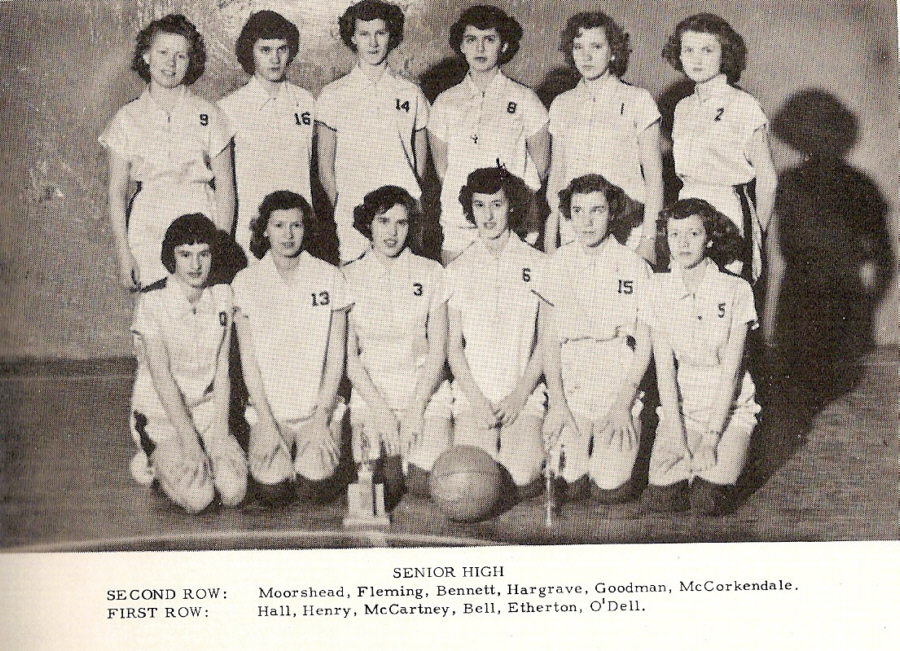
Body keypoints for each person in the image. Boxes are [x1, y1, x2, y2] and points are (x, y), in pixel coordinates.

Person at [535, 175, 652, 503]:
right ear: (568, 215)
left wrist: (623, 405)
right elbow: (549, 341)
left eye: (596, 210)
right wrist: (557, 403)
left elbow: (644, 345)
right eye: (578, 211)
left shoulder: (634, 266)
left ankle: (635, 438)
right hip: (573, 388)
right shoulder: (557, 264)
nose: (586, 221)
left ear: (612, 213)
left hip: (617, 386)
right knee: (567, 483)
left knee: (609, 488)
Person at [641, 198, 759, 515]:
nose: (683, 243)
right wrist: (679, 439)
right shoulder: (657, 288)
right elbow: (664, 373)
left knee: (706, 502)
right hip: (682, 407)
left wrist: (709, 439)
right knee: (662, 499)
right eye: (675, 234)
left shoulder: (736, 290)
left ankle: (740, 452)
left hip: (728, 408)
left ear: (709, 238)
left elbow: (731, 374)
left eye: (693, 234)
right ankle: (692, 452)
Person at [231, 191, 352, 501]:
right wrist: (267, 424)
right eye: (278, 225)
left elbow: (335, 356)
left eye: (296, 225)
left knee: (315, 486)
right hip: (271, 412)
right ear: (264, 230)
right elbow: (249, 363)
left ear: (306, 229)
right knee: (272, 488)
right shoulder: (245, 282)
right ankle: (279, 449)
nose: (288, 235)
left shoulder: (329, 276)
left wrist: (321, 418)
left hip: (318, 408)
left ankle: (315, 451)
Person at [100, 14, 235, 290]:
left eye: (181, 56)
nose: (170, 63)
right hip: (148, 228)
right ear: (146, 55)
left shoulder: (209, 114)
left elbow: (226, 188)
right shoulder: (127, 118)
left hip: (200, 224)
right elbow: (116, 193)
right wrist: (124, 254)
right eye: (162, 52)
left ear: (191, 61)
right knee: (155, 321)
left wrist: (220, 247)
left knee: (203, 321)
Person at [128, 213, 246, 513]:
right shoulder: (153, 302)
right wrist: (190, 443)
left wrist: (220, 432)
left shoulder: (222, 296)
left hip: (206, 415)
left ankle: (200, 453)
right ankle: (153, 457)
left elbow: (223, 371)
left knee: (233, 492)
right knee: (199, 498)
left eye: (203, 254)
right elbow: (162, 379)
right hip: (164, 419)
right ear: (172, 257)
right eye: (185, 254)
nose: (195, 265)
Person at [343, 186, 451, 501]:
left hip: (424, 394)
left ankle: (410, 459)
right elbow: (348, 359)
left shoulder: (431, 272)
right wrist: (383, 414)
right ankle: (392, 460)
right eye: (383, 221)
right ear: (368, 225)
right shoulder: (349, 276)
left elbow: (438, 352)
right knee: (379, 486)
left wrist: (416, 411)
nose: (392, 232)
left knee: (423, 484)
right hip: (373, 396)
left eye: (401, 223)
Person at [445, 167, 546, 498]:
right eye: (479, 205)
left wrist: (520, 396)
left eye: (497, 205)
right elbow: (453, 348)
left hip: (523, 395)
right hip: (475, 397)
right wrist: (475, 399)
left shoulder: (539, 263)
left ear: (512, 206)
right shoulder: (458, 269)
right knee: (472, 478)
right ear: (470, 209)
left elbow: (545, 343)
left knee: (519, 475)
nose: (488, 216)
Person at [429, 5, 549, 263]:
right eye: (471, 40)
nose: (480, 49)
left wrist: (513, 203)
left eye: (489, 40)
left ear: (503, 45)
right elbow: (443, 170)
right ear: (461, 46)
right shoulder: (445, 102)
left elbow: (540, 164)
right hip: (460, 227)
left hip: (514, 227)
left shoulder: (525, 99)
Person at [662, 13, 776, 282]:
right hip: (686, 213)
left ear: (725, 54)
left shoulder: (743, 105)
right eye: (688, 50)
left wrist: (755, 238)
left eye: (707, 50)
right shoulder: (683, 107)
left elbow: (768, 181)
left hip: (727, 211)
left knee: (723, 304)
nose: (696, 59)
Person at [316, 0, 430, 264]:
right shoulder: (333, 94)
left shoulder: (410, 93)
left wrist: (409, 202)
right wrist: (344, 206)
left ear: (391, 36)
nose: (373, 43)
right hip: (354, 211)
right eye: (365, 34)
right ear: (353, 37)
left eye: (380, 33)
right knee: (356, 290)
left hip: (400, 215)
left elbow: (419, 162)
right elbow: (325, 168)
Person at [544, 11, 662, 265]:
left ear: (613, 51)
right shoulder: (562, 104)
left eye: (596, 46)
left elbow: (654, 178)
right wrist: (551, 234)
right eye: (578, 47)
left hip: (628, 228)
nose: (586, 56)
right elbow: (557, 175)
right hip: (575, 229)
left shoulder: (638, 100)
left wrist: (648, 240)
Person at [218, 10, 315, 262]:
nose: (275, 59)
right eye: (265, 50)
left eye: (282, 49)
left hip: (298, 233)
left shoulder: (306, 102)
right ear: (250, 52)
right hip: (251, 237)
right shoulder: (229, 109)